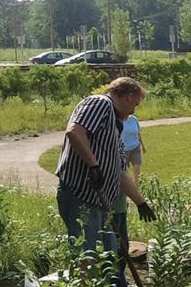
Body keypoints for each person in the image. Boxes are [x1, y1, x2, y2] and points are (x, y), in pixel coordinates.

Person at [55, 77, 156, 255]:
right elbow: (75, 132)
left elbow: (118, 172)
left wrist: (141, 203)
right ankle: (83, 283)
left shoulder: (114, 126)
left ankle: (104, 283)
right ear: (128, 97)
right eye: (136, 104)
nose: (134, 110)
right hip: (81, 194)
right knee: (85, 252)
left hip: (98, 201)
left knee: (102, 253)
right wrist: (93, 166)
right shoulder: (100, 103)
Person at [121, 113, 146, 181]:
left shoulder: (134, 119)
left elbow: (138, 133)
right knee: (124, 171)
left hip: (135, 147)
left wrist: (142, 146)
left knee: (137, 167)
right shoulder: (119, 120)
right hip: (123, 149)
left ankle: (136, 185)